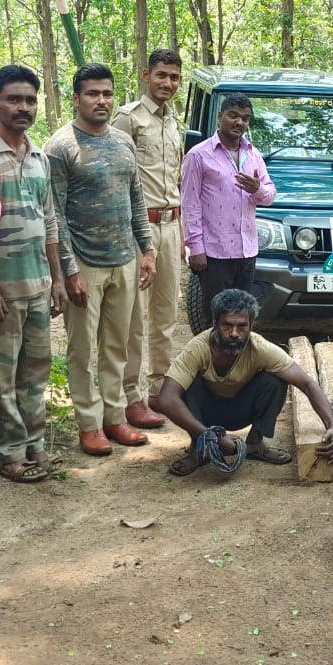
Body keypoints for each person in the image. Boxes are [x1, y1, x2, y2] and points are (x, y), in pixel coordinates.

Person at [46, 64, 157, 457]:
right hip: (85, 263)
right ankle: (89, 424)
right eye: (92, 94)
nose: (101, 101)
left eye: (107, 94)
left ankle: (115, 416)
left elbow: (136, 200)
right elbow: (55, 215)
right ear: (76, 98)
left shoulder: (123, 142)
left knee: (117, 346)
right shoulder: (60, 147)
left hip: (124, 258)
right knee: (81, 350)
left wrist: (147, 251)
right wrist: (69, 270)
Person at [0, 65, 69, 482]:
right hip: (1, 286)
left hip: (37, 284)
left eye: (30, 100)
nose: (23, 107)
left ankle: (35, 445)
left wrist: (58, 279)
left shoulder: (39, 157)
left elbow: (49, 220)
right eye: (14, 99)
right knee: (1, 374)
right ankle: (7, 451)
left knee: (36, 370)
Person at [151, 289, 333, 476]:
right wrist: (211, 435)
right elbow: (166, 400)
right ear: (215, 323)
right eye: (227, 326)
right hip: (205, 414)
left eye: (242, 327)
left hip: (241, 411)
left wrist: (332, 426)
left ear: (251, 325)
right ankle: (199, 448)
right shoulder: (197, 348)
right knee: (187, 384)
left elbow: (308, 384)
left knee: (275, 380)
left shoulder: (260, 347)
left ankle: (255, 445)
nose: (234, 333)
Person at [111, 48, 185, 430]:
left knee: (165, 315)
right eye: (161, 76)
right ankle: (130, 396)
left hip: (171, 225)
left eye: (173, 77)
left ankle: (160, 390)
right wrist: (140, 241)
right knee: (132, 318)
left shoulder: (175, 123)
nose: (167, 84)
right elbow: (119, 177)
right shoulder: (127, 119)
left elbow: (175, 179)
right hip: (140, 228)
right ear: (146, 74)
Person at [181, 93, 276, 326]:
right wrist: (195, 248)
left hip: (247, 251)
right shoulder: (198, 155)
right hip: (214, 253)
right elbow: (190, 204)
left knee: (242, 317)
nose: (239, 122)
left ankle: (239, 361)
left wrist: (257, 189)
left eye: (245, 118)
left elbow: (270, 194)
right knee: (216, 318)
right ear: (219, 117)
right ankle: (212, 361)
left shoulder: (253, 154)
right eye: (233, 116)